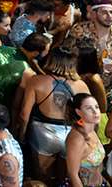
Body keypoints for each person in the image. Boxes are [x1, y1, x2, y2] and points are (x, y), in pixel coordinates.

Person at [16, 46, 90, 177]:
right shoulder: (81, 86)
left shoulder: (36, 81)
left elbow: (24, 115)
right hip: (71, 136)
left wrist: (21, 136)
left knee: (43, 177)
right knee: (65, 177)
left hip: (44, 135)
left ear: (51, 59)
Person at [68, 0, 112, 105]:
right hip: (81, 85)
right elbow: (66, 54)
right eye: (104, 13)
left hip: (109, 89)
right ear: (94, 13)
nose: (109, 16)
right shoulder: (79, 30)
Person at [0, 32, 50, 108]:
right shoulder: (28, 72)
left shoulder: (1, 50)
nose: (47, 53)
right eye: (46, 51)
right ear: (35, 53)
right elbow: (16, 105)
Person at [63, 93, 106, 187]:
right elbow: (73, 174)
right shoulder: (77, 139)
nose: (95, 112)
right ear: (78, 112)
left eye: (96, 107)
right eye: (89, 108)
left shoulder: (92, 130)